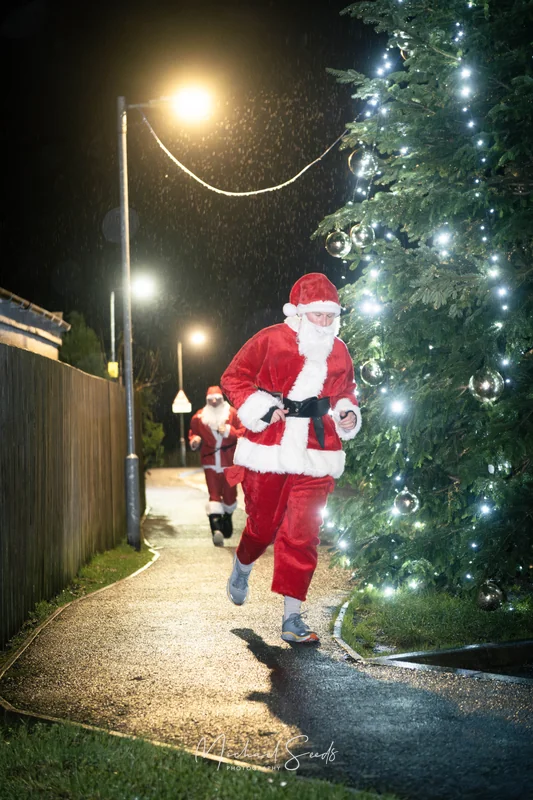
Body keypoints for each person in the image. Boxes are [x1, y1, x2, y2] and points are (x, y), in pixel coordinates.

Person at [221, 273, 361, 644]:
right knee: (262, 528)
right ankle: (243, 563)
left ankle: (292, 617)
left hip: (318, 451)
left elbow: (346, 390)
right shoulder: (270, 339)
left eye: (331, 317)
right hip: (271, 448)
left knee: (302, 534)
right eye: (319, 316)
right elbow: (234, 378)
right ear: (299, 313)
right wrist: (261, 407)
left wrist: (347, 412)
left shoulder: (340, 349)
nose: (326, 323)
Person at [189, 386, 244, 546]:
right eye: (210, 399)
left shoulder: (233, 414)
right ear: (206, 400)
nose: (213, 402)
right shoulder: (199, 417)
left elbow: (243, 432)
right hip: (210, 461)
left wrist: (229, 431)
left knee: (229, 495)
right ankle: (216, 530)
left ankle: (226, 519)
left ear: (222, 399)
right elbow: (193, 432)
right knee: (214, 494)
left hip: (229, 462)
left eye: (217, 399)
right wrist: (195, 441)